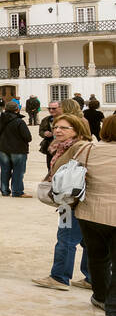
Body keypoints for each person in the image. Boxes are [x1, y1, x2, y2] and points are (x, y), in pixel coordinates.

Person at [32, 113, 94, 291]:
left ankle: (59, 277)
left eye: (64, 128)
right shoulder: (65, 147)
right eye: (56, 127)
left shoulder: (80, 147)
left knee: (65, 238)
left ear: (76, 130)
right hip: (71, 201)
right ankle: (91, 278)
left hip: (72, 202)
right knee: (84, 240)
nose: (58, 130)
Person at [76, 115, 116, 316]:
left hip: (90, 212)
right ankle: (113, 309)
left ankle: (100, 296)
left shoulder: (88, 149)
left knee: (97, 257)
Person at [0, 98, 32, 197]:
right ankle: (17, 191)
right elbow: (28, 137)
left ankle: (4, 190)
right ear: (17, 109)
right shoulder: (19, 121)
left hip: (4, 148)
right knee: (18, 171)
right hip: (18, 149)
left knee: (5, 170)